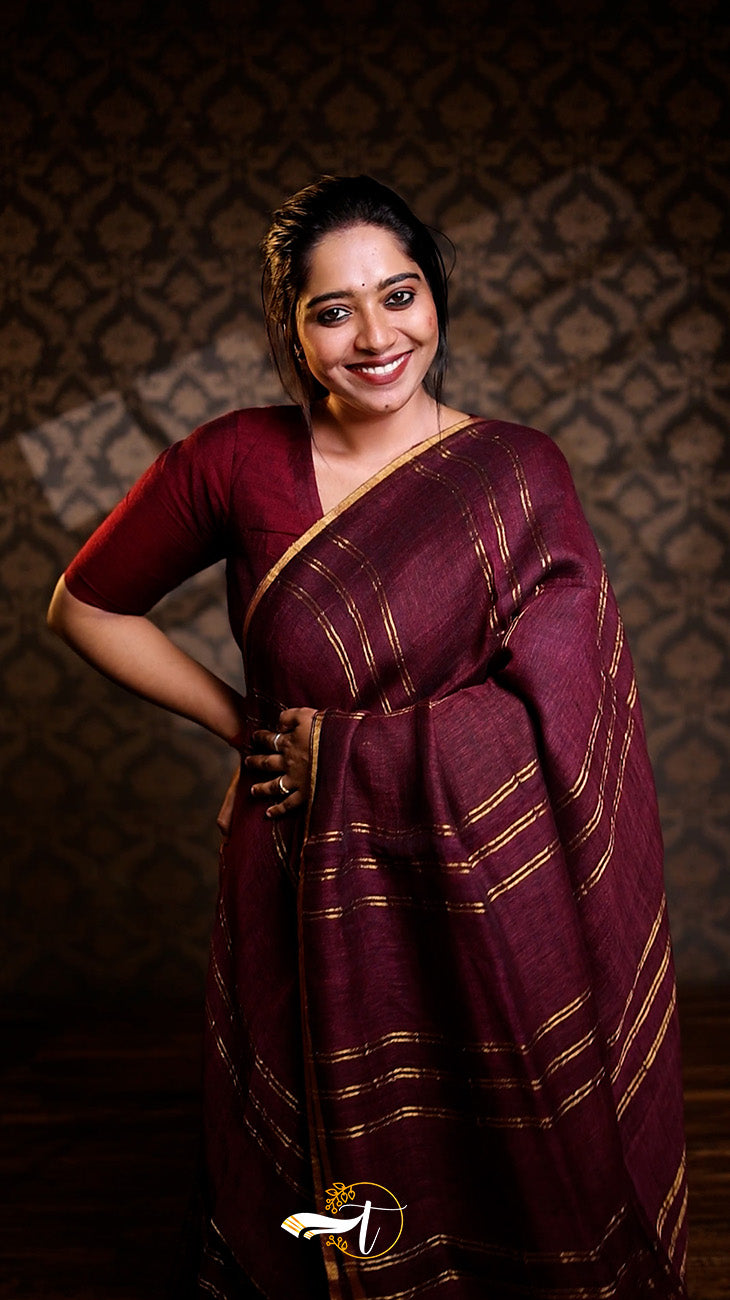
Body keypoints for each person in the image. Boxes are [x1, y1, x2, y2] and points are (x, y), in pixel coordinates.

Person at [48, 175, 688, 1299]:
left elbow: (567, 708)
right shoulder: (234, 461)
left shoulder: (516, 473)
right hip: (301, 872)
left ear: (435, 297)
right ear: (290, 327)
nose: (376, 336)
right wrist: (246, 731)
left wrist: (353, 756)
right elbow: (84, 602)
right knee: (311, 1150)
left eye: (399, 295)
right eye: (332, 310)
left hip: (488, 878)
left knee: (509, 1142)